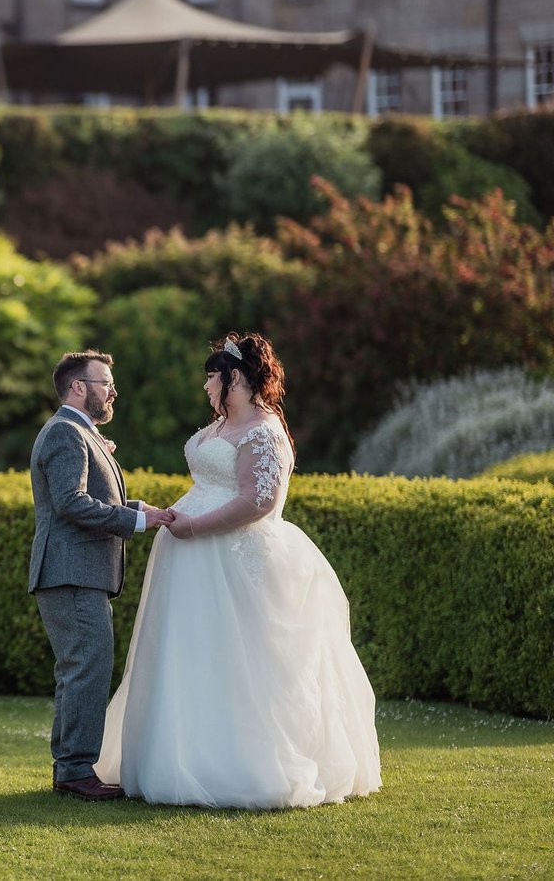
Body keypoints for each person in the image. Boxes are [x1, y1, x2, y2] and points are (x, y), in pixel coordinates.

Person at [95, 332, 382, 808]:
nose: (207, 387)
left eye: (212, 377)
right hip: (190, 555)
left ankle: (240, 765)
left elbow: (259, 501)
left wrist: (195, 527)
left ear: (238, 378)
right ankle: (176, 755)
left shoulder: (265, 431)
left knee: (240, 656)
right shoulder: (219, 427)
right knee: (190, 654)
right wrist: (168, 515)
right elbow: (209, 485)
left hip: (235, 557)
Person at [30, 349, 173, 801]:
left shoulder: (79, 433)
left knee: (81, 669)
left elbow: (88, 500)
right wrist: (134, 523)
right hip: (71, 574)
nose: (112, 391)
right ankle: (74, 771)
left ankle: (70, 769)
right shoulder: (66, 434)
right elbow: (70, 502)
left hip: (78, 574)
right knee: (85, 669)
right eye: (104, 382)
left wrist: (138, 510)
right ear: (78, 387)